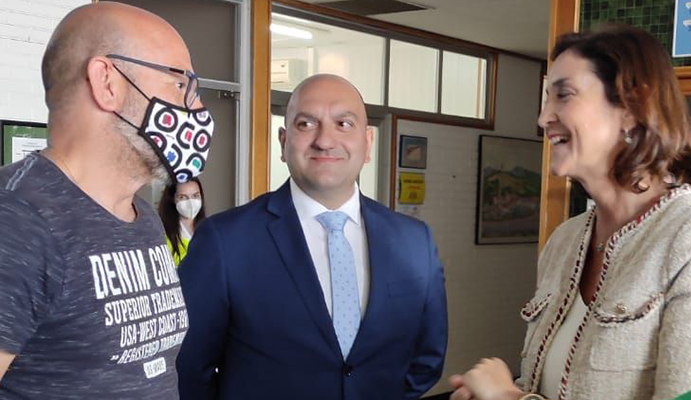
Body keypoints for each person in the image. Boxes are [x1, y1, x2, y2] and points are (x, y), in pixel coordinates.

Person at [450, 25, 691, 400]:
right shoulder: (564, 241)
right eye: (546, 98)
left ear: (632, 107)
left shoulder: (690, 239)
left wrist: (508, 397)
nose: (543, 118)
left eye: (563, 95)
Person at [176, 74, 448, 400]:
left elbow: (427, 360)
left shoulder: (414, 241)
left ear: (368, 143)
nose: (325, 140)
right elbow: (189, 367)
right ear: (283, 141)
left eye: (344, 124)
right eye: (306, 124)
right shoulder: (225, 241)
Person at [0, 2, 215, 398]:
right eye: (179, 84)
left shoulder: (143, 216)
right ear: (107, 83)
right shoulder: (16, 219)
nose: (196, 108)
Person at [159, 177, 207, 266]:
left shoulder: (209, 230)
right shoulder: (162, 233)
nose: (191, 202)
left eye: (195, 196)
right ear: (173, 199)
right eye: (183, 197)